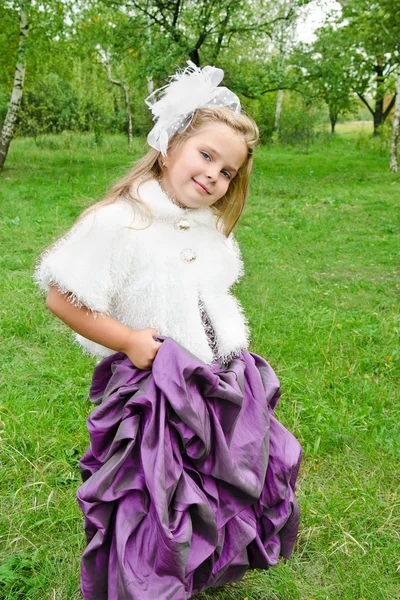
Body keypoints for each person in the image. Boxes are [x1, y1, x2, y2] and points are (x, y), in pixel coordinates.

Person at [35, 61, 302, 600]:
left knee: (215, 482)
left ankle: (202, 565)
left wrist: (231, 348)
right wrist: (130, 342)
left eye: (228, 172)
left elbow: (212, 293)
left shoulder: (210, 230)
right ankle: (147, 578)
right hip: (156, 386)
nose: (214, 176)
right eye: (206, 155)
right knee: (155, 492)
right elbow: (61, 296)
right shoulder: (119, 220)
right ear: (170, 144)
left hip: (220, 376)